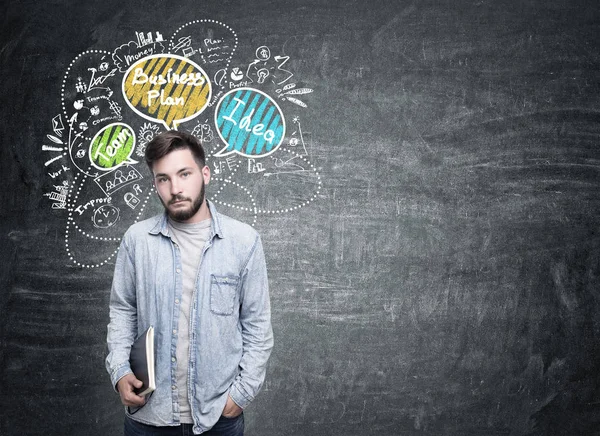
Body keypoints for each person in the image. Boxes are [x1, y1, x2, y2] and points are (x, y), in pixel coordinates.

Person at [106, 130, 273, 435]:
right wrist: (120, 370)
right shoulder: (137, 240)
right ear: (155, 184)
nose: (175, 188)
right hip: (149, 416)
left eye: (184, 174)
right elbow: (122, 311)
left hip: (218, 418)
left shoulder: (243, 242)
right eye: (163, 178)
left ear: (204, 174)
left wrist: (240, 395)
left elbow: (257, 326)